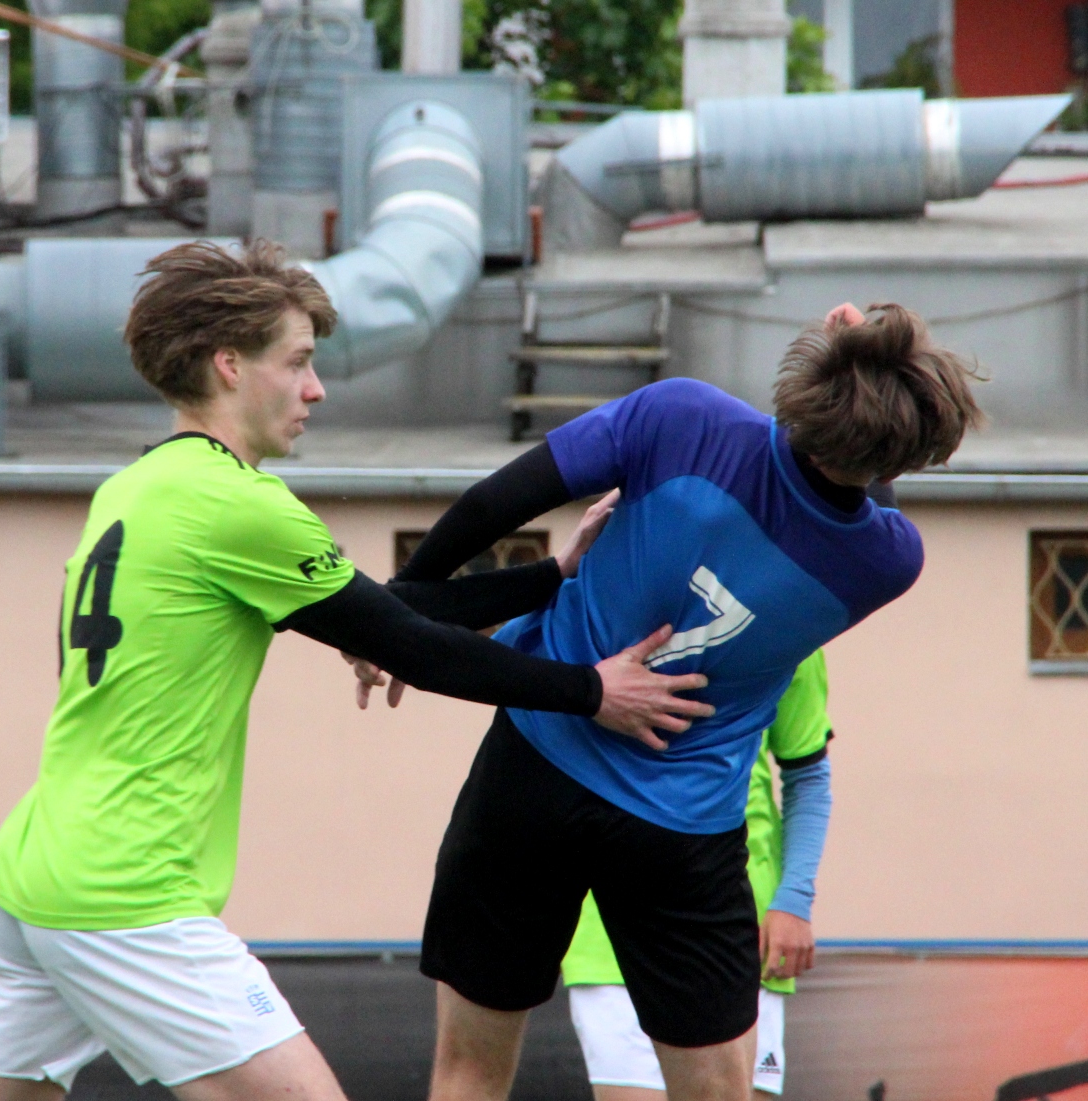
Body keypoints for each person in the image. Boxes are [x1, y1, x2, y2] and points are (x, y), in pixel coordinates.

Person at [0, 240, 712, 1101]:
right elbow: (408, 642)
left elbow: (383, 613)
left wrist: (548, 577)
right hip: (123, 890)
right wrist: (591, 690)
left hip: (31, 869)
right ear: (229, 365)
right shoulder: (238, 503)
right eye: (297, 361)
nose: (316, 389)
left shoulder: (137, 486)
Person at [377, 303, 980, 1101]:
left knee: (468, 1072)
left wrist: (399, 609)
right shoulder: (887, 563)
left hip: (531, 769)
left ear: (808, 379)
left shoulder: (681, 416)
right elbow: (862, 488)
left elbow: (492, 505)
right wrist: (870, 393)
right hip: (679, 829)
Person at [563, 650, 835, 1100]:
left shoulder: (793, 625)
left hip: (740, 929)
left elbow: (807, 773)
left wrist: (794, 899)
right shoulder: (597, 617)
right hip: (607, 934)